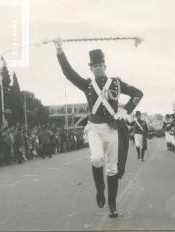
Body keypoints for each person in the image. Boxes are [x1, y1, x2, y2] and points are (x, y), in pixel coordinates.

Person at [54, 38, 143, 218]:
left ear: (105, 65)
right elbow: (68, 73)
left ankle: (112, 204)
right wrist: (59, 51)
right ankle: (100, 189)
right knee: (96, 159)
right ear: (91, 68)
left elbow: (138, 93)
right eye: (95, 66)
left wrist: (125, 111)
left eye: (101, 64)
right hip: (94, 127)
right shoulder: (87, 85)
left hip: (112, 129)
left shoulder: (116, 83)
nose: (98, 68)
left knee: (112, 169)